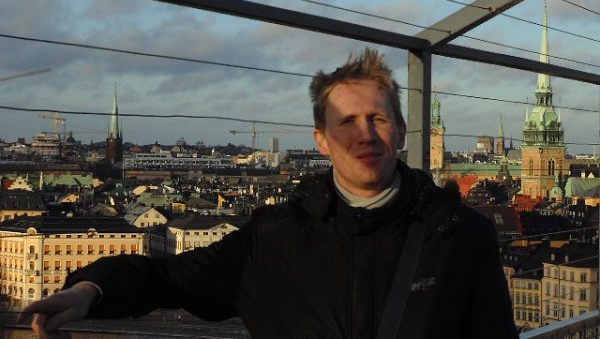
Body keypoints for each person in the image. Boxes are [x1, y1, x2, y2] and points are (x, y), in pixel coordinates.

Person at [19, 48, 518, 338]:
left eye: (378, 119)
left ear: (402, 131)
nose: (365, 135)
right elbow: (168, 276)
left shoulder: (461, 235)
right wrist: (89, 289)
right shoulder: (273, 238)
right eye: (347, 122)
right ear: (321, 140)